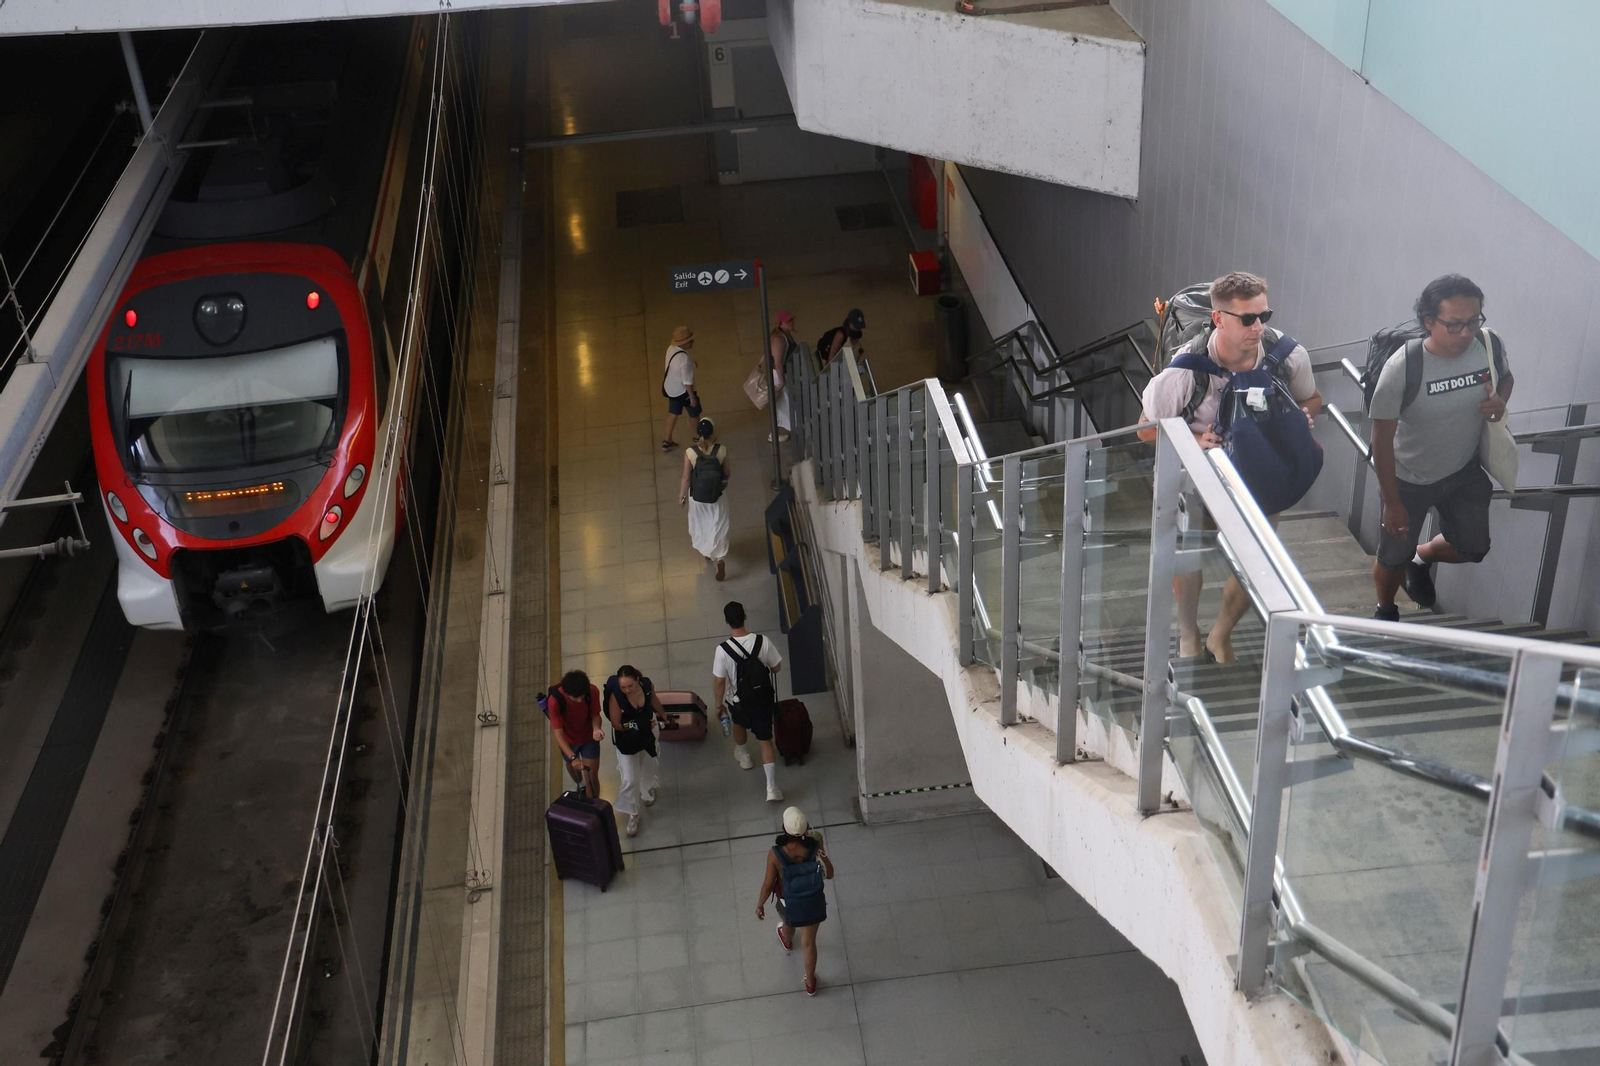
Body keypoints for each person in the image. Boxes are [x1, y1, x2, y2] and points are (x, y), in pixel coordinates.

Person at [1137, 271, 1322, 663]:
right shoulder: (1185, 370)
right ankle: (1188, 634)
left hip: (1256, 474)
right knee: (1185, 555)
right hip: (1192, 475)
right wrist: (1192, 440)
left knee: (1257, 561)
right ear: (1219, 318)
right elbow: (1144, 431)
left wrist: (1300, 416)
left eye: (1263, 315)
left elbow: (1312, 398)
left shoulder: (1287, 356)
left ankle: (1220, 635)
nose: (1259, 327)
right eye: (1247, 319)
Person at [1369, 274, 1512, 622]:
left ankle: (1422, 557)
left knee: (1474, 548)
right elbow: (1381, 439)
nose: (1466, 333)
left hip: (1463, 473)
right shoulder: (1403, 367)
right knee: (1392, 558)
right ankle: (1385, 610)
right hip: (1409, 480)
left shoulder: (1488, 344)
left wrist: (1499, 401)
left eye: (1474, 321)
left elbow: (1506, 377)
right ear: (1428, 322)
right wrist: (1391, 501)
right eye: (1454, 325)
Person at [756, 806, 834, 996]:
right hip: (813, 901)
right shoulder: (814, 845)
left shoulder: (775, 854)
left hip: (787, 900)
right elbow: (830, 873)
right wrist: (821, 849)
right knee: (809, 944)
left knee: (788, 921)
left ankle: (787, 939)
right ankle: (810, 982)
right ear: (806, 828)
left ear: (784, 828)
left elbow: (768, 883)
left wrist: (760, 904)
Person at [712, 600, 785, 802]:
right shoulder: (763, 641)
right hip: (762, 699)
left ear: (727, 621)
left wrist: (719, 705)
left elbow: (719, 681)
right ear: (745, 616)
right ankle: (771, 788)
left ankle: (744, 757)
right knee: (765, 740)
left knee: (738, 724)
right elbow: (777, 668)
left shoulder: (722, 650)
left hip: (738, 701)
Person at [603, 665, 668, 837]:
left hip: (648, 732)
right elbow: (616, 723)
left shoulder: (646, 685)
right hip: (627, 739)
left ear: (638, 680)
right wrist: (639, 725)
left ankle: (647, 789)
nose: (627, 690)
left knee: (649, 765)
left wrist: (663, 714)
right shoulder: (616, 697)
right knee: (630, 778)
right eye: (623, 687)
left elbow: (653, 699)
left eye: (630, 686)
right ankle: (633, 813)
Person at [679, 417, 731, 580]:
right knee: (718, 526)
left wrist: (681, 496)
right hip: (717, 496)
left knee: (701, 525)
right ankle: (720, 559)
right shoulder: (721, 450)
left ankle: (708, 552)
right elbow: (727, 473)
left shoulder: (690, 452)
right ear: (712, 432)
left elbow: (686, 478)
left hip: (697, 498)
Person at [546, 670, 603, 798]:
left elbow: (595, 714)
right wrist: (573, 757)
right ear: (566, 693)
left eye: (582, 696)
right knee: (573, 767)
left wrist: (596, 728)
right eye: (575, 698)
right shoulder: (555, 700)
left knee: (592, 779)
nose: (579, 700)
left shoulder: (592, 691)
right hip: (568, 741)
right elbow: (558, 733)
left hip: (589, 738)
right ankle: (579, 783)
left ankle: (593, 809)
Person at [661, 325, 701, 452]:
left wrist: (691, 362)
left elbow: (676, 364)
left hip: (671, 389)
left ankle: (667, 440)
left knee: (673, 413)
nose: (693, 341)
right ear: (685, 343)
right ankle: (697, 437)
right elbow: (687, 382)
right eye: (690, 340)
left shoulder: (671, 349)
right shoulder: (684, 360)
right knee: (694, 413)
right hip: (683, 391)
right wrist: (692, 397)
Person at [768, 311, 800, 443]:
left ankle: (778, 433)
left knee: (783, 405)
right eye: (788, 321)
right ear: (781, 324)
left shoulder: (786, 335)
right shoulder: (779, 339)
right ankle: (791, 431)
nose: (791, 323)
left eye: (792, 320)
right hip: (780, 375)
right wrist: (782, 382)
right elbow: (778, 363)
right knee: (785, 404)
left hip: (785, 374)